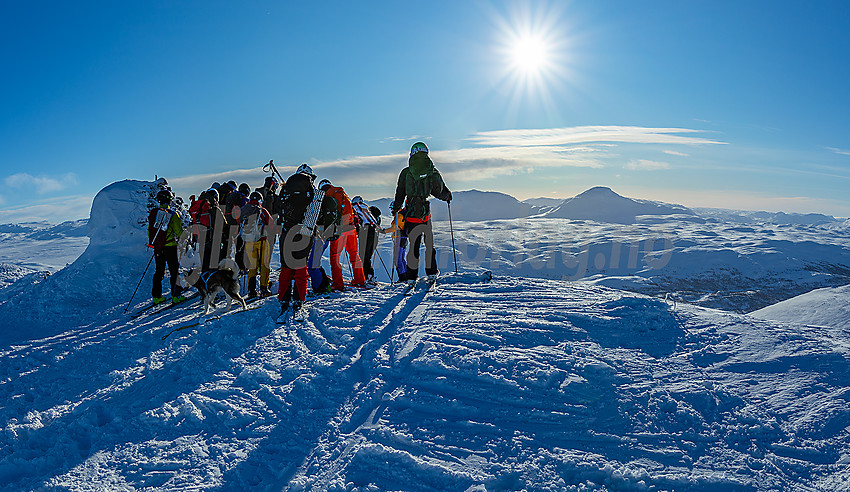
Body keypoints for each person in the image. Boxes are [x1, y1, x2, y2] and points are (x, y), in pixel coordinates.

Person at [392, 142, 451, 285]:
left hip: (411, 215)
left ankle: (411, 278)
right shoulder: (432, 171)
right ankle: (431, 273)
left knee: (414, 247)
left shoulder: (406, 173)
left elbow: (400, 193)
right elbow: (438, 191)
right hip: (426, 215)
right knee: (429, 244)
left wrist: (396, 208)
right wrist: (448, 196)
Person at [277, 167, 317, 315]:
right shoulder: (311, 191)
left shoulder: (285, 190)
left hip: (286, 232)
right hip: (304, 233)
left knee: (286, 268)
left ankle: (283, 299)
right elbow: (314, 213)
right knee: (300, 269)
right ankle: (299, 299)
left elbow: (278, 208)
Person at [317, 179, 366, 290]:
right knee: (354, 254)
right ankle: (360, 279)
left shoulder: (326, 195)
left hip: (339, 230)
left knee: (335, 257)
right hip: (351, 228)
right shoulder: (342, 193)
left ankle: (338, 284)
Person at [148, 189, 186, 304]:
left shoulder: (154, 213)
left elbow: (150, 230)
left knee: (159, 271)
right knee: (174, 271)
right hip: (170, 246)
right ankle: (176, 295)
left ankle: (157, 297)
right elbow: (179, 232)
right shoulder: (173, 214)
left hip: (158, 247)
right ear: (170, 200)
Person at [239, 191, 273, 298]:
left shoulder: (244, 210)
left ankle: (251, 291)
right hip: (262, 240)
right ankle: (264, 288)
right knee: (264, 265)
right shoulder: (262, 210)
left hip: (249, 242)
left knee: (252, 266)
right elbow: (271, 224)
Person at [351, 196, 381, 285]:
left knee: (363, 256)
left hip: (365, 234)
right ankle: (369, 275)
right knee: (367, 256)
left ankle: (364, 277)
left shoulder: (357, 209)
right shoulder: (367, 209)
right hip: (374, 233)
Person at [381, 200, 408, 283]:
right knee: (401, 258)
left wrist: (384, 231)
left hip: (399, 238)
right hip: (403, 238)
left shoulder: (399, 216)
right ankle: (406, 276)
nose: (391, 210)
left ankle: (403, 278)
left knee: (397, 259)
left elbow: (394, 228)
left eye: (392, 208)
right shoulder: (402, 214)